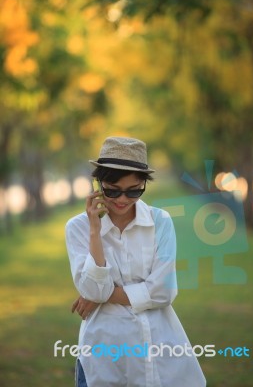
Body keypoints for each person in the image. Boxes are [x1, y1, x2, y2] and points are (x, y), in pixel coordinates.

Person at [65, 136, 206, 387]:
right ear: (98, 183)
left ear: (143, 184)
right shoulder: (78, 227)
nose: (122, 199)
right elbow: (93, 290)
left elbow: (163, 292)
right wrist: (95, 232)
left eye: (133, 191)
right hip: (103, 353)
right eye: (112, 189)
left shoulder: (160, 222)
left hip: (159, 347)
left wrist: (102, 294)